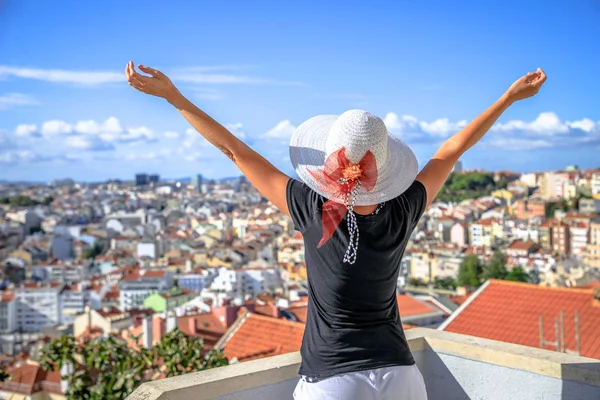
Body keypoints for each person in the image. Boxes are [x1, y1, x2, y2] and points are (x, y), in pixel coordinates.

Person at [125, 62, 546, 399]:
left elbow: (235, 151)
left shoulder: (311, 208)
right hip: (401, 375)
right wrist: (508, 98)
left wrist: (173, 97)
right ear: (383, 168)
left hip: (333, 378)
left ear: (327, 164)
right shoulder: (404, 209)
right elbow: (451, 150)